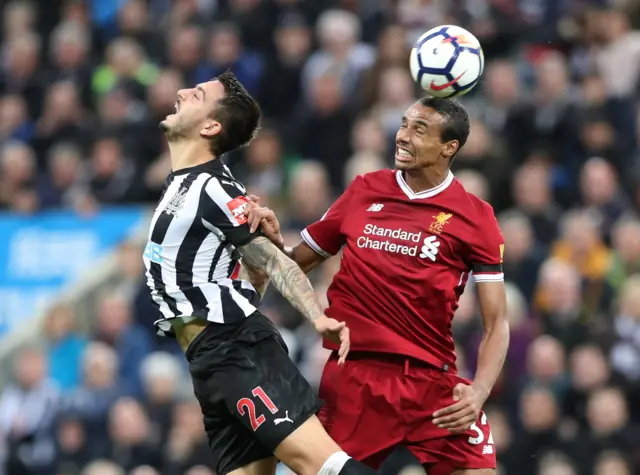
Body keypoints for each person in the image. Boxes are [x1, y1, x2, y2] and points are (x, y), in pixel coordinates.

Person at [245, 97, 510, 475]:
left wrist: (480, 390)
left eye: (419, 130)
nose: (402, 136)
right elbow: (295, 260)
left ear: (449, 147)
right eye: (403, 125)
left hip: (430, 379)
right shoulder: (364, 190)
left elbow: (496, 322)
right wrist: (272, 242)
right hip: (354, 378)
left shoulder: (475, 217)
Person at [142, 70, 378, 475]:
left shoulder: (215, 187)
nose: (181, 92)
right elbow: (254, 275)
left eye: (196, 94)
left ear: (212, 126)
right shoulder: (181, 185)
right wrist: (263, 265)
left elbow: (275, 261)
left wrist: (317, 317)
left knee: (324, 466)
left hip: (237, 351)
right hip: (208, 362)